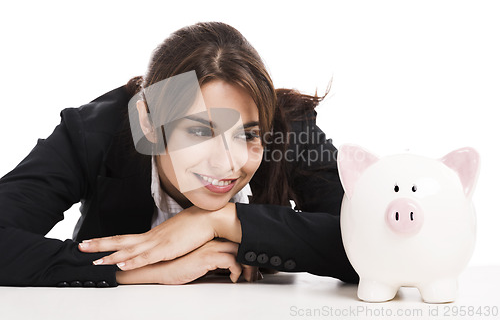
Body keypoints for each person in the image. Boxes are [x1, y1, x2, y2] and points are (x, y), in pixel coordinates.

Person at [0, 22, 358, 287]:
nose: (228, 163)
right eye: (201, 131)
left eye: (247, 134)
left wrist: (217, 220)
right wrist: (141, 271)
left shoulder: (288, 128)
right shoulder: (94, 133)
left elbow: (370, 239)